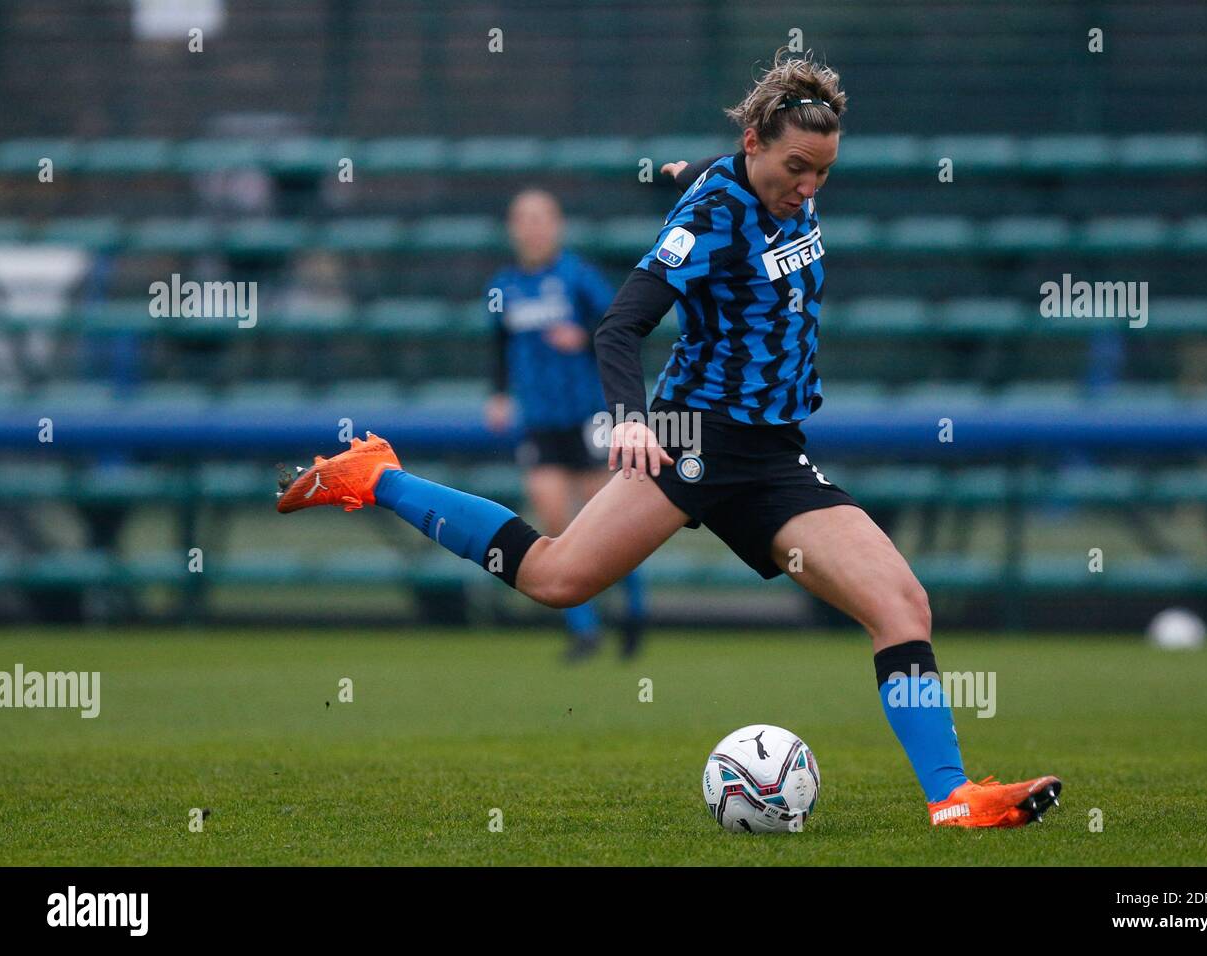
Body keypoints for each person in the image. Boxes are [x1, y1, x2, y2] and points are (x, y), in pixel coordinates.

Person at [278, 49, 1061, 828]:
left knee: (903, 606)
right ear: (755, 142)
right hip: (695, 438)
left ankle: (953, 799)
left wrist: (669, 169)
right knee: (556, 580)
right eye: (798, 167)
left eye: (824, 171)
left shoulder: (769, 183)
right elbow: (620, 327)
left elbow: (702, 171)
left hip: (774, 452)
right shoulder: (710, 219)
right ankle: (376, 476)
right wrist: (628, 419)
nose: (810, 187)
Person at [484, 188, 647, 660]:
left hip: (588, 415)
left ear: (556, 225)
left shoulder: (577, 276)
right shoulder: (501, 287)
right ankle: (584, 629)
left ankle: (634, 612)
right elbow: (498, 343)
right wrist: (498, 394)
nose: (532, 227)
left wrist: (584, 337)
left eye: (541, 218)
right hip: (539, 419)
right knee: (555, 520)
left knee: (608, 525)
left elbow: (619, 326)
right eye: (523, 219)